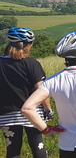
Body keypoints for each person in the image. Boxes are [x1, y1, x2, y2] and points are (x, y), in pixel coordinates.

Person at [0, 27, 52, 158]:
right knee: (38, 145)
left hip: (6, 114)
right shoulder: (31, 63)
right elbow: (42, 89)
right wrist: (48, 109)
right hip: (32, 113)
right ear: (27, 45)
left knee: (12, 149)